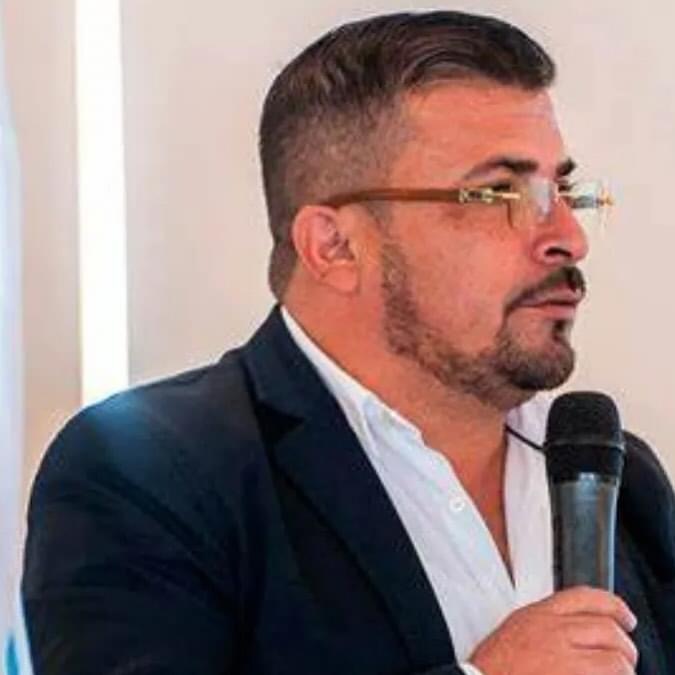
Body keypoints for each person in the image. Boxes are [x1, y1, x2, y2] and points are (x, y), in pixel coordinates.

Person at [21, 10, 674, 675]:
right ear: (334, 246)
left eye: (562, 191)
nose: (568, 238)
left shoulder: (619, 477)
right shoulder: (150, 473)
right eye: (497, 193)